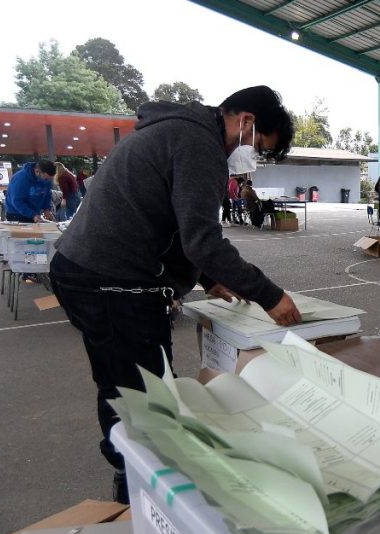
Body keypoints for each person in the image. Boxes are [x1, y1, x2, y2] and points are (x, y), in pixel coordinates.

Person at [49, 86, 301, 503]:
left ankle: (130, 475)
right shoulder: (199, 144)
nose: (252, 157)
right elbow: (203, 240)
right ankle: (138, 490)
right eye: (258, 147)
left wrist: (207, 278)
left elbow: (172, 221)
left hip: (88, 270)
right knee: (147, 397)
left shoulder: (178, 130)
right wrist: (270, 296)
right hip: (113, 281)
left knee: (122, 382)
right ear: (246, 122)